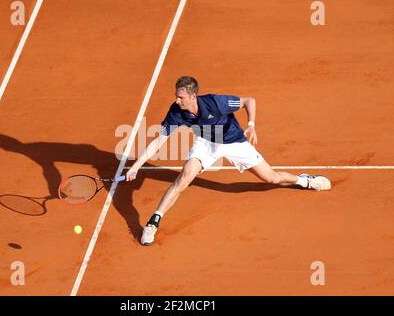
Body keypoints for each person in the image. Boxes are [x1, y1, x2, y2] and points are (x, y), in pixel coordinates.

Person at [125, 76, 331, 246]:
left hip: (234, 141)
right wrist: (135, 166)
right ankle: (153, 222)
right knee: (185, 177)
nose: (177, 101)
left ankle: (304, 180)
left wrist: (251, 125)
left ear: (193, 96)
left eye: (181, 97)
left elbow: (249, 101)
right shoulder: (175, 112)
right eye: (176, 97)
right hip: (206, 142)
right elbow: (158, 141)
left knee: (272, 178)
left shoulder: (217, 102)